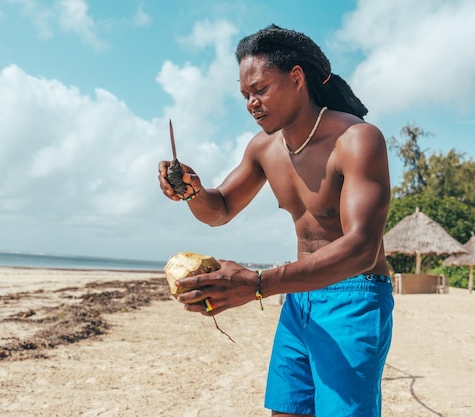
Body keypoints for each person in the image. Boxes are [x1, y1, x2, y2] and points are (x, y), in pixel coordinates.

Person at [158, 24, 393, 417]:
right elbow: (220, 209)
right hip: (296, 296)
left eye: (261, 89)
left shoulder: (356, 140)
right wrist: (192, 192)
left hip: (354, 295)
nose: (252, 103)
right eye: (246, 95)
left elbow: (362, 248)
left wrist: (258, 283)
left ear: (297, 78)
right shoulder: (264, 148)